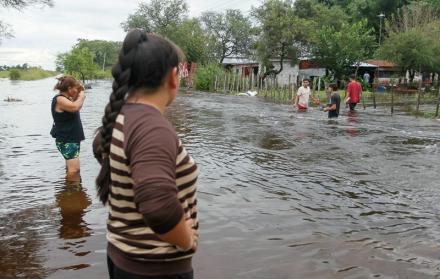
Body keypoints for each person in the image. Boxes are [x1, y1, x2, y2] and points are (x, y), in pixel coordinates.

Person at [93, 29, 199, 279]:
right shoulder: (152, 128)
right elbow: (158, 206)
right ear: (174, 77)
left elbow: (101, 148)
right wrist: (186, 240)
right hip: (155, 268)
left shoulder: (121, 117)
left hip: (123, 255)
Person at [50, 76, 85, 180]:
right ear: (69, 88)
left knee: (74, 170)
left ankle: (70, 192)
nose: (77, 91)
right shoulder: (60, 99)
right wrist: (82, 96)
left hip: (71, 140)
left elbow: (74, 102)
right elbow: (75, 107)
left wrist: (79, 90)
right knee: (73, 171)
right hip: (67, 140)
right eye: (75, 88)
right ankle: (70, 193)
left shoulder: (67, 99)